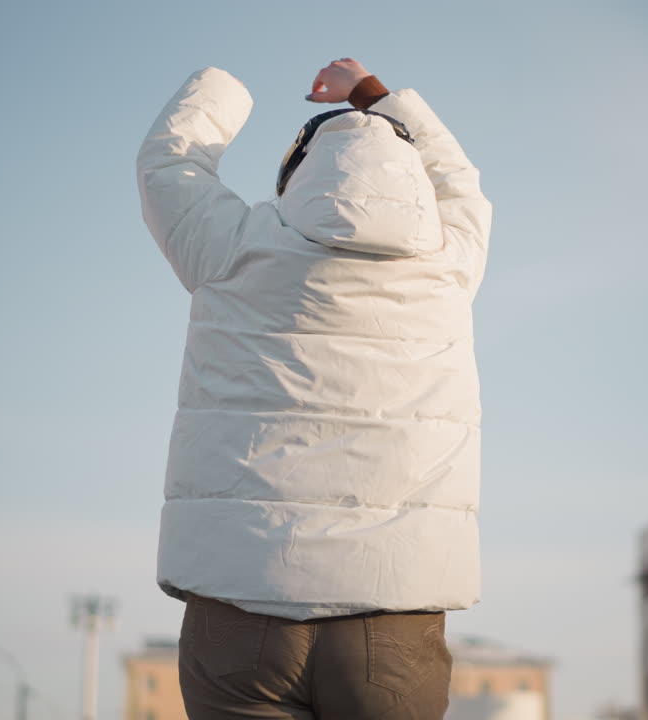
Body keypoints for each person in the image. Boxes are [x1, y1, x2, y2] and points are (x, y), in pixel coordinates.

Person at [136, 58, 491, 720]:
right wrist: (372, 93)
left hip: (240, 603)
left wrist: (225, 88)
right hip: (396, 618)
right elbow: (459, 179)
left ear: (294, 178)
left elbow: (169, 163)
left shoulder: (233, 246)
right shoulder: (450, 259)